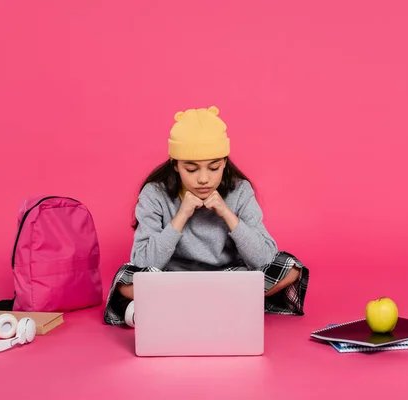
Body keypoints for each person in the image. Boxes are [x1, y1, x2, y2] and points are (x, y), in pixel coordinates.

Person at [103, 106, 309, 327]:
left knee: (291, 268)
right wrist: (181, 216)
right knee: (126, 281)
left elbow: (264, 257)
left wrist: (227, 213)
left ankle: (180, 306)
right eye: (191, 170)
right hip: (173, 277)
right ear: (176, 165)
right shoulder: (155, 193)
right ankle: (222, 305)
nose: (204, 179)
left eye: (214, 168)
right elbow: (143, 262)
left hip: (229, 276)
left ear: (224, 163)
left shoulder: (240, 190)